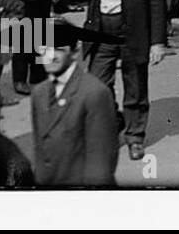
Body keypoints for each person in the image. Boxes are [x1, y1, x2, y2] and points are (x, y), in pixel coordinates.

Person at [76, 0, 167, 162]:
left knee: (135, 86)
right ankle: (115, 121)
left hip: (132, 32)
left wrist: (158, 42)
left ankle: (135, 137)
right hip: (101, 31)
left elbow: (158, 3)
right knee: (96, 86)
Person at [31, 21, 122, 187]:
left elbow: (100, 161)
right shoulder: (39, 94)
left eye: (59, 49)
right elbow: (40, 152)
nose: (50, 55)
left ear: (74, 51)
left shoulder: (95, 93)